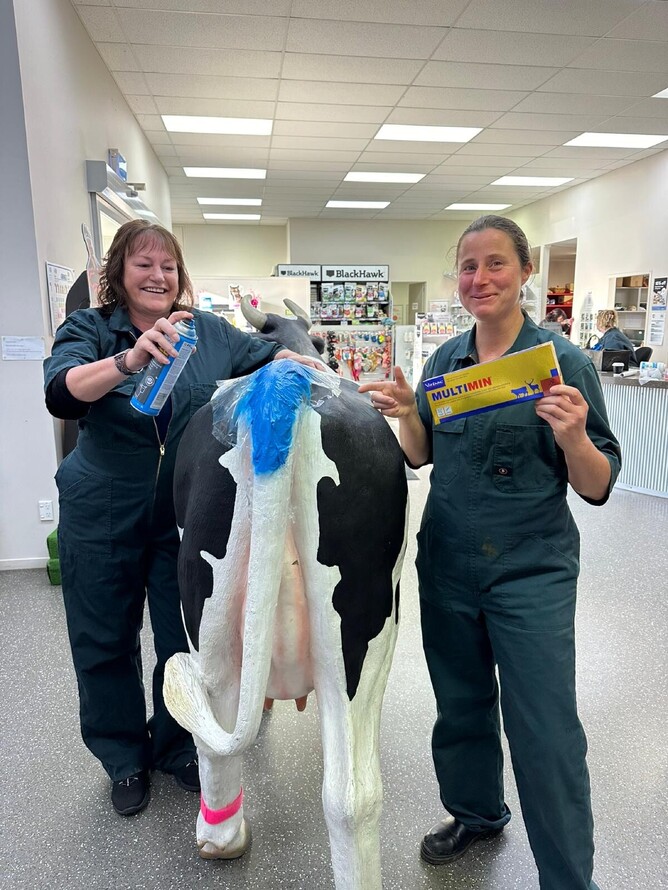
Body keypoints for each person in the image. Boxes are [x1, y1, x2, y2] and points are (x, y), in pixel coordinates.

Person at [360, 216, 620, 890]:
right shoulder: (445, 363)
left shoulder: (564, 365)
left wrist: (573, 437)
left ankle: (568, 877)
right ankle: (476, 812)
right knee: (462, 702)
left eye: (496, 264)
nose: (480, 279)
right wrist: (406, 413)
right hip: (447, 560)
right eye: (468, 266)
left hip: (529, 569)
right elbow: (421, 456)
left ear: (526, 272)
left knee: (545, 727)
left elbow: (595, 486)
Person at [43, 220, 317, 817]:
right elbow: (61, 391)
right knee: (104, 638)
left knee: (183, 639)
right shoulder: (89, 328)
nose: (157, 276)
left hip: (185, 513)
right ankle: (122, 758)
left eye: (168, 266)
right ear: (118, 273)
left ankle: (174, 748)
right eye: (143, 264)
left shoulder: (208, 331)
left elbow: (271, 352)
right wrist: (128, 359)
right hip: (102, 509)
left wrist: (300, 355)